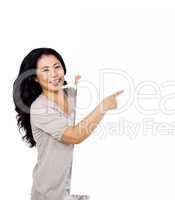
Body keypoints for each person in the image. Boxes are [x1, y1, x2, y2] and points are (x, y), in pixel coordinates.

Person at [13, 48, 123, 200]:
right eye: (45, 70)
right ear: (35, 78)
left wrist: (87, 84)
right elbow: (74, 135)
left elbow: (89, 119)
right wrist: (104, 106)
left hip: (78, 186)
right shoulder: (39, 107)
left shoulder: (73, 94)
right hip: (50, 192)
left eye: (57, 67)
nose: (54, 74)